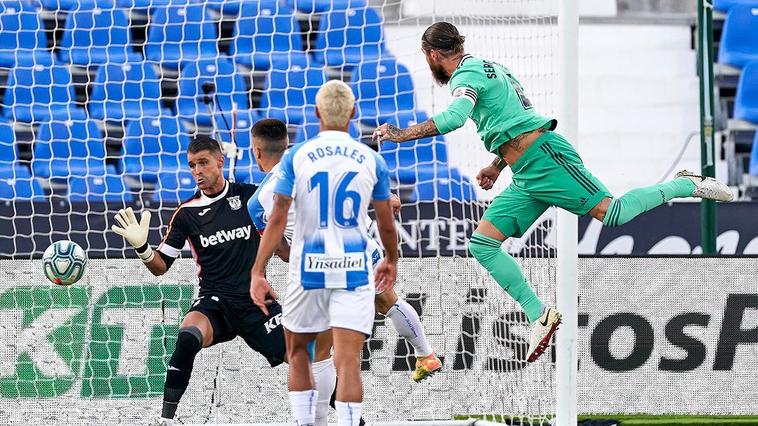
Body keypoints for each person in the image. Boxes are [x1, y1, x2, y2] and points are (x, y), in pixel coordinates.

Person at [372, 22, 733, 363]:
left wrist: (399, 134)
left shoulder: (465, 76)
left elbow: (453, 119)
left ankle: (687, 183)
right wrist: (497, 165)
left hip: (547, 160)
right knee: (482, 244)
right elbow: (511, 117)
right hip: (525, 171)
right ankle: (539, 315)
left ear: (432, 55)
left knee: (614, 213)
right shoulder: (489, 67)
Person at [247, 118, 441, 424]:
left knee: (320, 353)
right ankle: (425, 354)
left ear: (256, 152)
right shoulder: (315, 155)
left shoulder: (257, 202)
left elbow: (281, 251)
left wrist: (269, 265)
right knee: (387, 304)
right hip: (362, 249)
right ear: (287, 142)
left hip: (322, 268)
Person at [251, 80, 399, 426]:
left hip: (309, 269)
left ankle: (307, 423)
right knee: (348, 362)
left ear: (316, 113)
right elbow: (386, 221)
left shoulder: (297, 156)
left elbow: (276, 220)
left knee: (301, 353)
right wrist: (390, 259)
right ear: (353, 114)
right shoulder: (370, 159)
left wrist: (258, 271)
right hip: (353, 267)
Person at [111, 135, 287, 426]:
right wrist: (142, 248)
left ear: (220, 161)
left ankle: (351, 418)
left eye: (203, 163)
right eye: (192, 165)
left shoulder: (252, 198)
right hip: (214, 302)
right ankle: (165, 419)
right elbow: (160, 267)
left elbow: (280, 240)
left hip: (256, 301)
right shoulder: (186, 214)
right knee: (187, 336)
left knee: (304, 359)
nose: (197, 171)